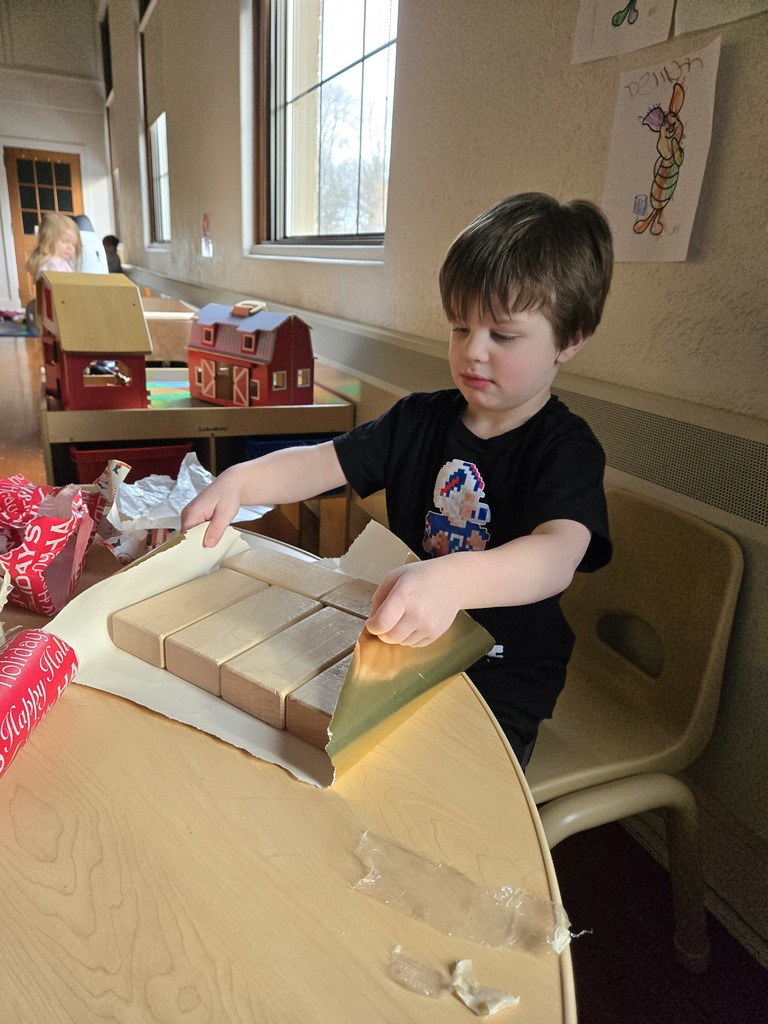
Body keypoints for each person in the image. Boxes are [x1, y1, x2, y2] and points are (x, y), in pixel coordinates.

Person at [181, 192, 614, 769]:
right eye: (461, 328)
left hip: (501, 677)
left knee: (433, 792)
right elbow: (322, 462)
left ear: (571, 338)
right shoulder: (418, 419)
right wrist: (241, 479)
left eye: (502, 336)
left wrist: (455, 581)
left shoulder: (566, 448)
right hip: (398, 649)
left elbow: (557, 553)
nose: (472, 352)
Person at [25, 212, 81, 280]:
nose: (70, 247)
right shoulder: (52, 263)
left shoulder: (63, 262)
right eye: (64, 241)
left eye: (74, 245)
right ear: (49, 241)